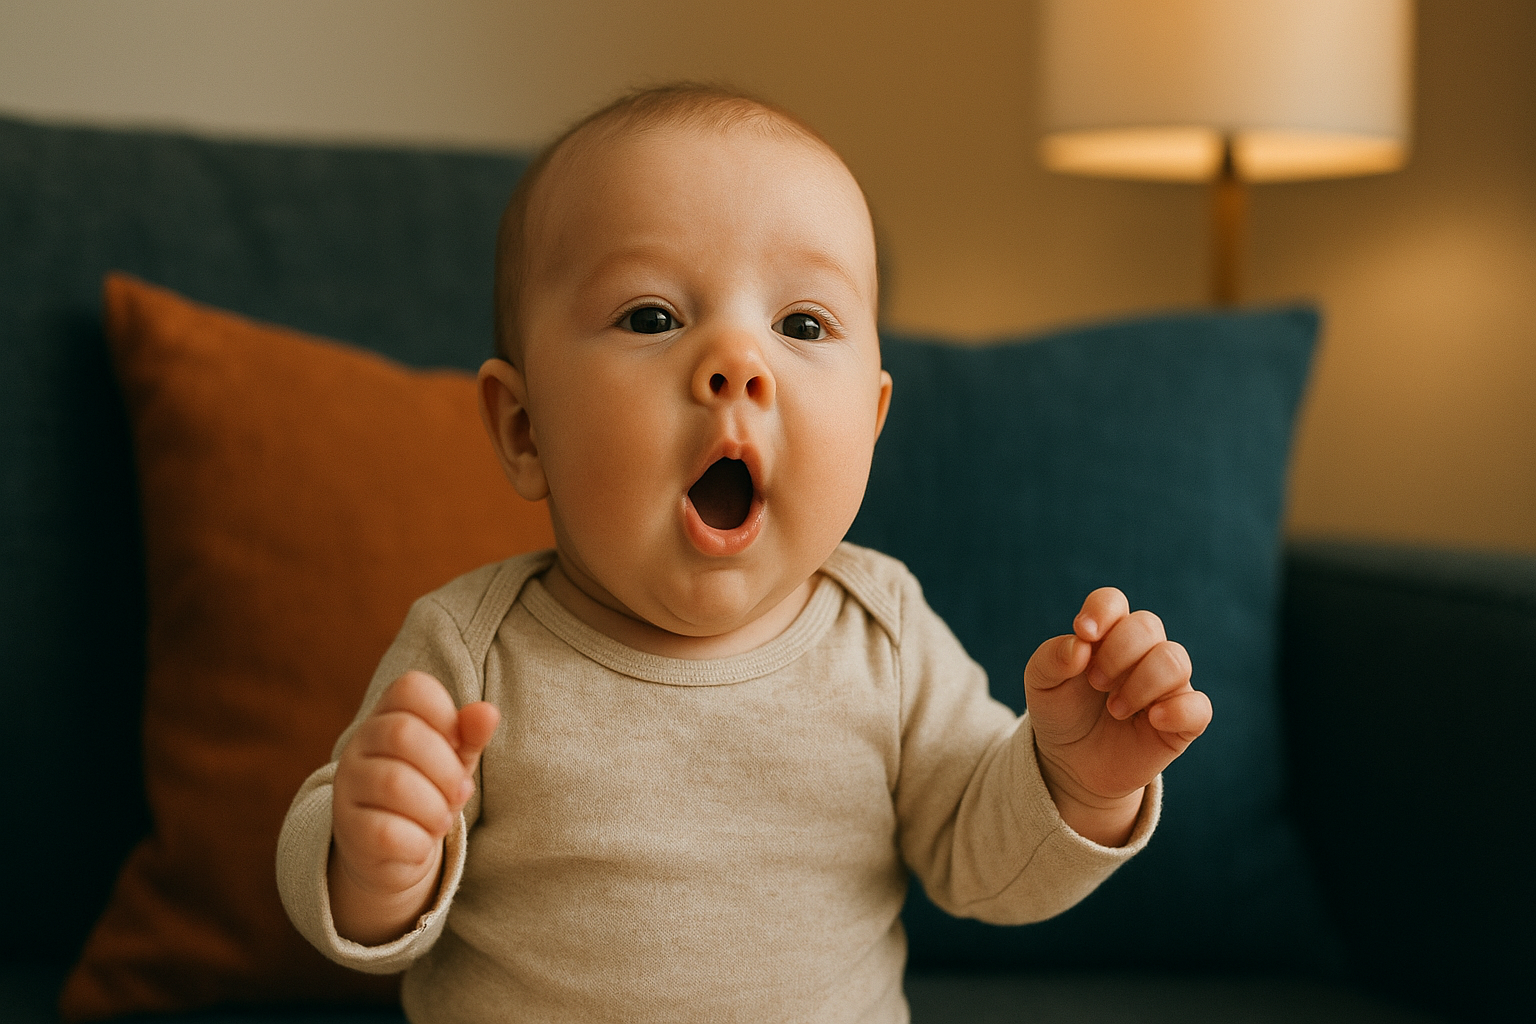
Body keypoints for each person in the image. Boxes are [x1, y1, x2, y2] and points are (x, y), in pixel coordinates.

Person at [277, 84, 1212, 1024]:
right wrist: (375, 858)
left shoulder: (882, 636)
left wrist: (1079, 785)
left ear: (873, 424)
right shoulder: (471, 653)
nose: (737, 362)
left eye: (801, 325)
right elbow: (345, 903)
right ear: (524, 430)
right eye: (651, 317)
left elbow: (989, 869)